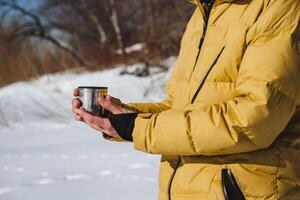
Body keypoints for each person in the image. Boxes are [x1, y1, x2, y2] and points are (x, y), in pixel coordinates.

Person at [72, 0, 300, 199]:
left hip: (247, 191)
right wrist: (121, 116)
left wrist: (138, 128)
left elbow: (253, 119)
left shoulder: (279, 7)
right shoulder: (202, 15)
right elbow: (178, 106)